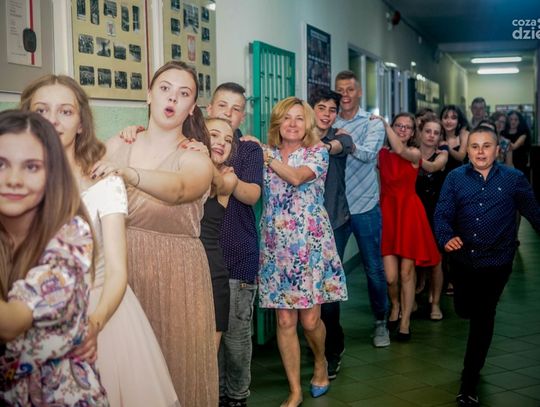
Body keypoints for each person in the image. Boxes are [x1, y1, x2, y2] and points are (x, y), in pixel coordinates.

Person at [19, 74, 179, 406]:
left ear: (81, 123)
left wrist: (94, 324)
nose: (53, 120)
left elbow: (118, 271)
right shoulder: (13, 182)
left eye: (65, 111)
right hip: (26, 315)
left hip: (98, 312)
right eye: (42, 110)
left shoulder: (103, 181)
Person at [96, 60, 217, 407]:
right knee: (126, 371)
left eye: (183, 93)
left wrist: (129, 174)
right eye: (164, 88)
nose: (172, 98)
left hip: (177, 274)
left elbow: (180, 189)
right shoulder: (118, 144)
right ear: (149, 94)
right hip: (120, 266)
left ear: (192, 108)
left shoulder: (195, 156)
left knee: (175, 362)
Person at [0, 110, 108, 405]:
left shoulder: (71, 235)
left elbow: (11, 323)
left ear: (52, 174)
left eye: (31, 167)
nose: (13, 179)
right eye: (1, 164)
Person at [434, 126, 540, 407]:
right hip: (462, 260)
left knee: (483, 317)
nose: (480, 152)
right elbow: (442, 214)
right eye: (474, 146)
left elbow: (534, 213)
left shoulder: (514, 179)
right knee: (464, 309)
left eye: (486, 146)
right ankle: (465, 305)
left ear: (497, 150)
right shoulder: (456, 178)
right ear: (467, 151)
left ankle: (469, 381)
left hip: (497, 262)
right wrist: (446, 237)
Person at [258, 97, 347, 407]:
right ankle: (294, 389)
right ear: (277, 123)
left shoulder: (317, 152)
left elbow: (296, 178)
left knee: (309, 321)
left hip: (310, 243)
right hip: (276, 245)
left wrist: (266, 158)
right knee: (285, 321)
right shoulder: (265, 153)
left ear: (307, 124)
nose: (293, 124)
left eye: (299, 118)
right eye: (287, 118)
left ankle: (320, 361)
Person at [207, 83, 263, 407]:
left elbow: (252, 194)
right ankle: (212, 395)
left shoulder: (248, 150)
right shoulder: (193, 146)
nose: (229, 114)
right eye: (222, 106)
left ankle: (237, 397)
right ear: (209, 108)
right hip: (202, 258)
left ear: (243, 115)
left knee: (236, 338)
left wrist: (227, 179)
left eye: (236, 109)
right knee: (208, 336)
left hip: (238, 255)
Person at [334, 70, 389, 347]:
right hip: (335, 209)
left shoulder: (371, 123)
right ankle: (329, 332)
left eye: (350, 89)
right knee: (331, 270)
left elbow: (368, 155)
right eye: (340, 90)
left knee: (373, 268)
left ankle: (381, 322)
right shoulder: (327, 121)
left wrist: (346, 142)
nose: (345, 95)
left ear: (359, 93)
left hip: (365, 207)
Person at [374, 112, 440, 341]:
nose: (402, 130)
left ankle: (405, 323)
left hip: (409, 214)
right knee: (391, 277)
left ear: (413, 133)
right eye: (398, 126)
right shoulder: (381, 154)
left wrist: (384, 125)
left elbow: (400, 150)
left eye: (407, 127)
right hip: (388, 213)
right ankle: (395, 304)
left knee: (407, 272)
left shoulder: (414, 153)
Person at [308, 87, 354, 379]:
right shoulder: (298, 136)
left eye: (332, 110)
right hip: (304, 227)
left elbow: (340, 146)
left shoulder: (340, 137)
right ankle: (316, 345)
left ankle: (333, 349)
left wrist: (321, 145)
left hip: (335, 222)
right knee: (307, 292)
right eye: (321, 108)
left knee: (327, 292)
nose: (326, 114)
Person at [200, 118, 238, 348]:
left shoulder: (229, 177)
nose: (222, 143)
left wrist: (200, 157)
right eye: (214, 135)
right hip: (182, 264)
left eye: (228, 140)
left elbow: (218, 185)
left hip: (213, 270)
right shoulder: (182, 167)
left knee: (208, 355)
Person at [414, 115, 448, 321]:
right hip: (413, 212)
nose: (431, 136)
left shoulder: (441, 155)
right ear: (420, 133)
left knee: (437, 261)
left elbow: (433, 167)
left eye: (436, 133)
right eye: (428, 131)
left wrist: (406, 155)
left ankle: (435, 303)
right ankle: (411, 297)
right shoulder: (410, 151)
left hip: (435, 212)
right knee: (411, 260)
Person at [440, 105, 470, 173]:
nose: (448, 121)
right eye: (445, 117)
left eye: (453, 118)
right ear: (441, 120)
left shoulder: (464, 134)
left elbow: (461, 156)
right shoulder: (438, 136)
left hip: (461, 175)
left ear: (459, 121)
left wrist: (447, 147)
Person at [502, 110, 530, 179]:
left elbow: (514, 146)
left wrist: (501, 138)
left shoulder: (523, 133)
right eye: (511, 119)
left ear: (519, 121)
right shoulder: (503, 132)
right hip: (504, 164)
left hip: (520, 164)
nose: (513, 122)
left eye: (516, 120)